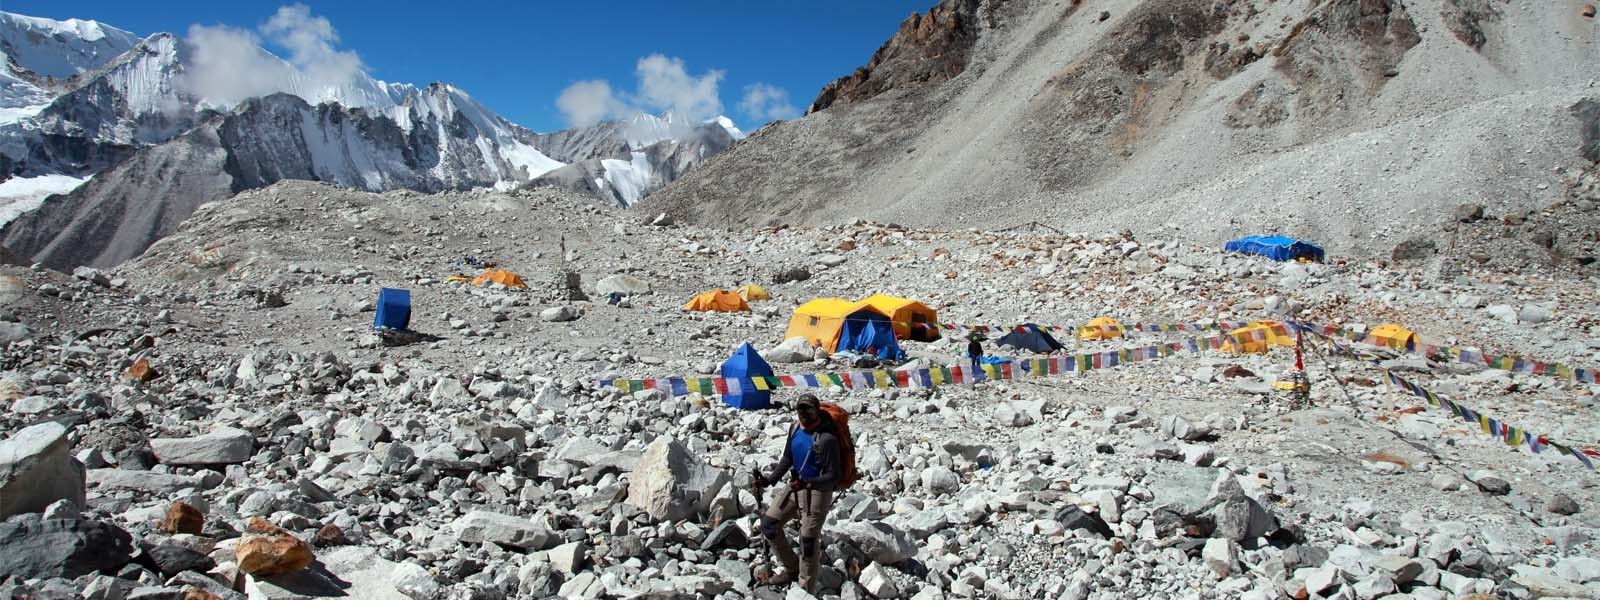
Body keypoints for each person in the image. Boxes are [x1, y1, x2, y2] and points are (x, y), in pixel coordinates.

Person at [753, 394, 843, 591]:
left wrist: (807, 483)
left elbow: (834, 476)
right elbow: (787, 458)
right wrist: (768, 480)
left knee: (808, 542)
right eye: (800, 410)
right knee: (769, 525)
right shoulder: (794, 429)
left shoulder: (827, 439)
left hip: (817, 492)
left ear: (817, 411)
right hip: (796, 486)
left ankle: (805, 590)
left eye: (808, 410)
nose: (804, 415)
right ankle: (792, 568)